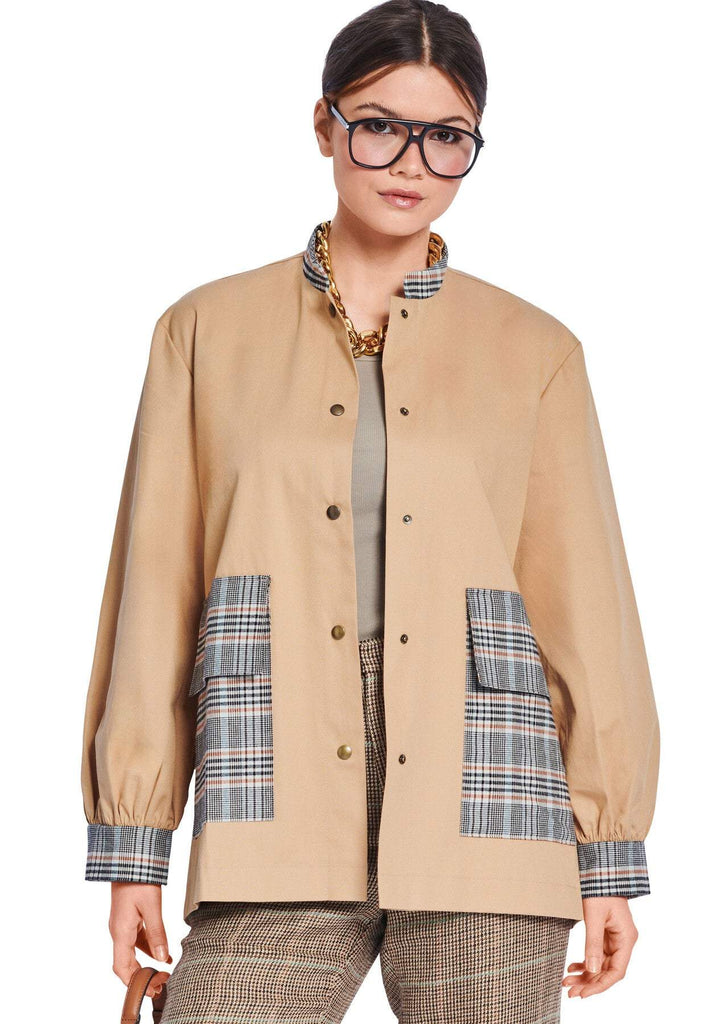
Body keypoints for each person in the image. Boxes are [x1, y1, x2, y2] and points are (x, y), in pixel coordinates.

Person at [80, 1, 660, 1020]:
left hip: (490, 798)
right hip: (273, 786)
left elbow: (584, 609)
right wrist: (136, 845)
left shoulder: (535, 351)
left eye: (447, 137)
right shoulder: (204, 331)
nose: (411, 163)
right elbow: (153, 594)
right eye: (381, 125)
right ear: (325, 125)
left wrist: (608, 851)